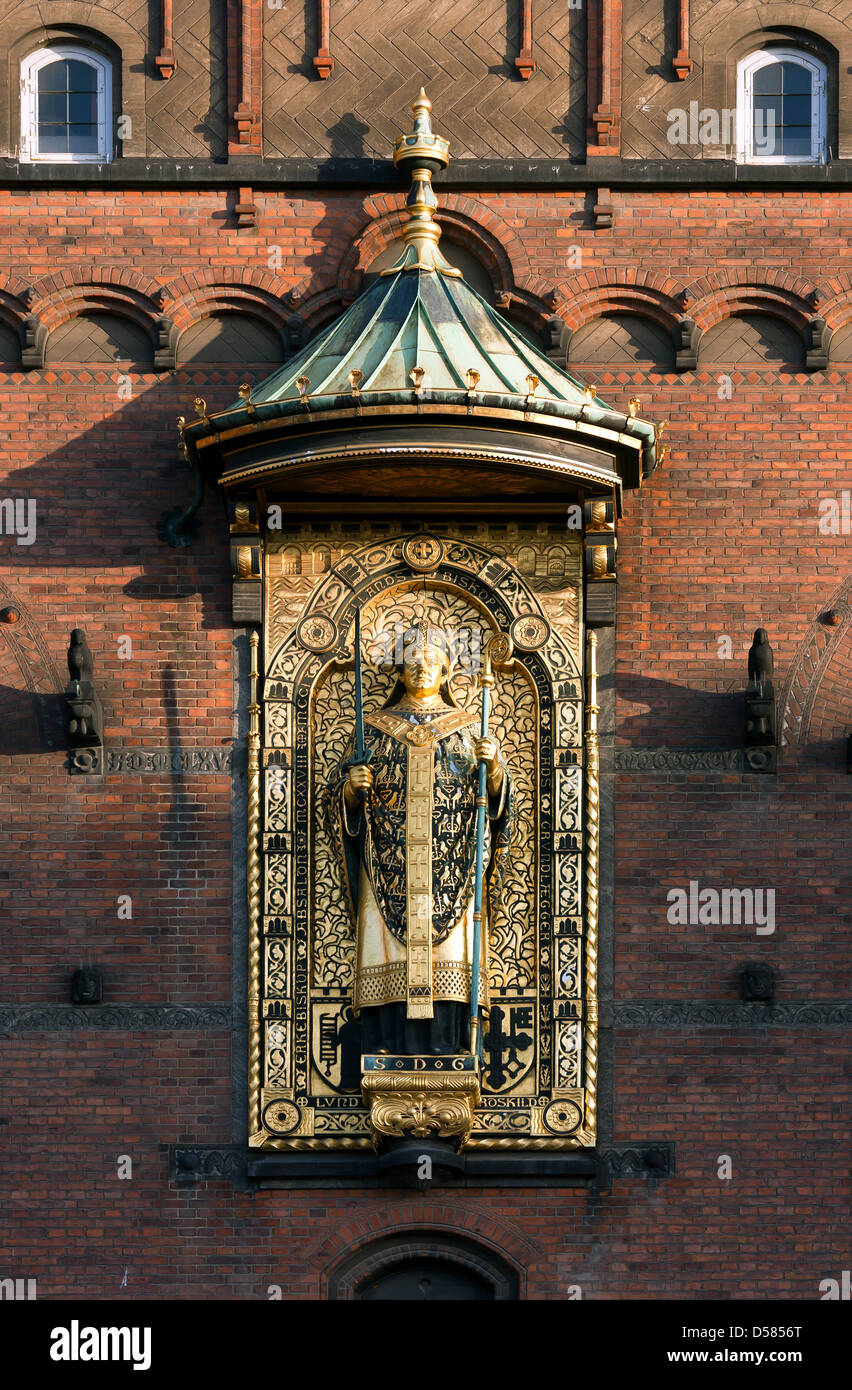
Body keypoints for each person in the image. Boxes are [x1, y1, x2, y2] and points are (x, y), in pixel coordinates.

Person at [326, 622, 512, 1055]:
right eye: (413, 662)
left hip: (453, 867)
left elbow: (500, 807)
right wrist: (351, 790)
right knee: (386, 949)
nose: (422, 669)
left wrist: (496, 770)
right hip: (389, 865)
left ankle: (450, 1042)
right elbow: (339, 805)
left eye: (431, 662)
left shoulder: (467, 730)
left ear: (446, 669)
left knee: (451, 951)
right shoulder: (372, 729)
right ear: (399, 672)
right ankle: (385, 1042)